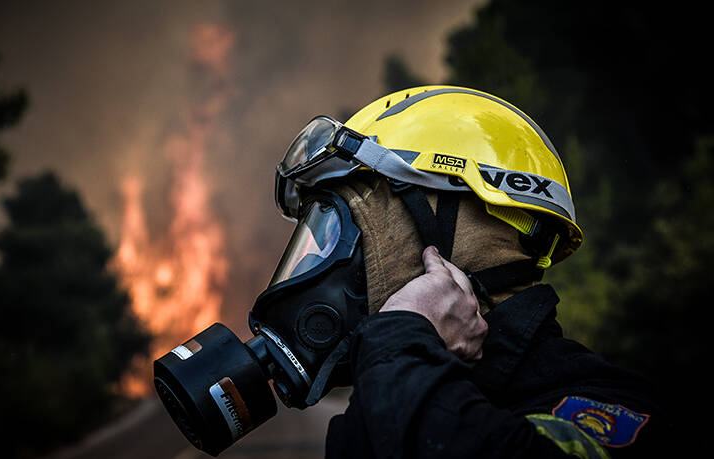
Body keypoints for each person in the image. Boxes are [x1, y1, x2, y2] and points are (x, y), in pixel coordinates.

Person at [272, 86, 669, 458]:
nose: (323, 260)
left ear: (454, 231)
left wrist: (401, 338)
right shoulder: (383, 392)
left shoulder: (610, 410)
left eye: (346, 228)